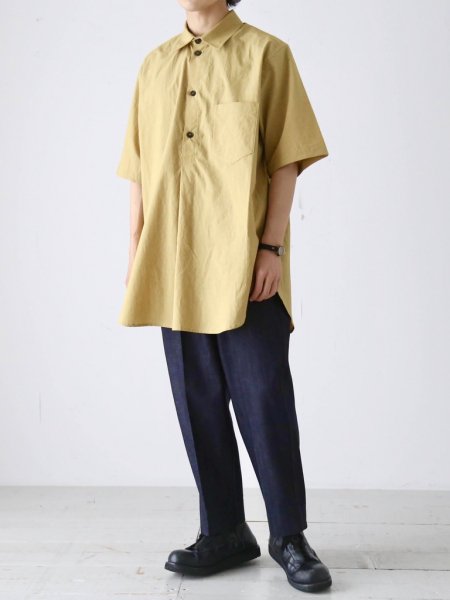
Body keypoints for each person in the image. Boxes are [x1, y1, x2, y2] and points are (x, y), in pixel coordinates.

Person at [116, 0, 331, 593]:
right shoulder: (154, 65)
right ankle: (225, 531)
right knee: (198, 402)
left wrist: (272, 248)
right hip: (172, 261)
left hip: (243, 262)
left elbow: (286, 161)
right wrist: (135, 254)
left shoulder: (267, 55)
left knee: (264, 399)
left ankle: (288, 535)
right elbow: (138, 169)